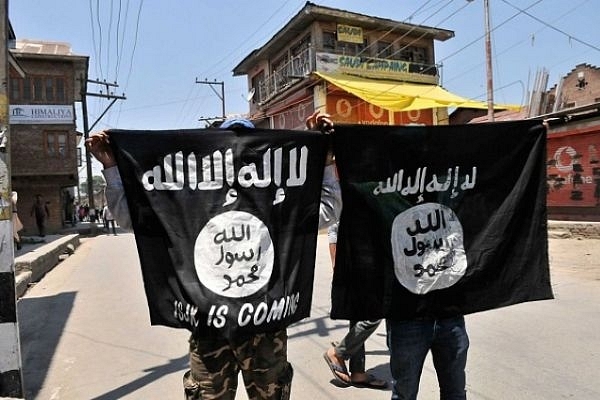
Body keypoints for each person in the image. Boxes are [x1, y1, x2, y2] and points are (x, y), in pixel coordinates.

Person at [86, 113, 340, 400]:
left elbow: (328, 211)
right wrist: (111, 166)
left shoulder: (277, 202)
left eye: (247, 151)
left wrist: (326, 157)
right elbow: (133, 218)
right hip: (210, 332)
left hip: (266, 332)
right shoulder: (188, 204)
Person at [322, 220, 386, 389]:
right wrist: (336, 264)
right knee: (374, 314)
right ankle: (338, 353)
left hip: (369, 261)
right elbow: (333, 229)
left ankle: (358, 372)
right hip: (355, 263)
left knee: (360, 315)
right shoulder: (348, 195)